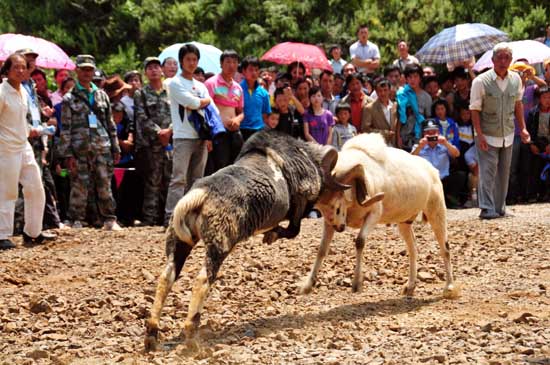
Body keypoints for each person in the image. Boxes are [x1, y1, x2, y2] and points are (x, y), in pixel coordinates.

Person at [57, 54, 122, 230]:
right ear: (77, 70)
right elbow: (66, 128)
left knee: (104, 183)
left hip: (102, 146)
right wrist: (67, 153)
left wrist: (115, 146)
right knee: (79, 185)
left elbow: (110, 123)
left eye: (90, 70)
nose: (87, 73)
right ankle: (75, 219)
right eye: (83, 69)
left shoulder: (102, 95)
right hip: (79, 148)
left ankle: (109, 218)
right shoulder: (69, 98)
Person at [0, 53, 56, 250]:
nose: (21, 70)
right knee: (7, 192)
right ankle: (2, 235)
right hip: (5, 148)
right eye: (16, 67)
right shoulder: (2, 92)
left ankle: (32, 232)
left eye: (24, 67)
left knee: (36, 187)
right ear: (7, 70)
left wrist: (35, 130)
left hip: (24, 146)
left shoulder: (24, 91)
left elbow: (19, 121)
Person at [469, 43, 530, 220]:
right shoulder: (480, 81)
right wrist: (479, 135)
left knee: (504, 172)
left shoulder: (516, 79)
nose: (503, 61)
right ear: (493, 60)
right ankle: (486, 208)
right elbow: (474, 109)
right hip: (487, 133)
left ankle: (500, 207)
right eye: (500, 58)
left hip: (508, 133)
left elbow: (518, 104)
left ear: (511, 60)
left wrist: (523, 128)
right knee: (488, 171)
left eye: (507, 58)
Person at [164, 44, 215, 225]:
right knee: (179, 179)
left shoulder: (200, 85)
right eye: (188, 59)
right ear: (181, 61)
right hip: (183, 136)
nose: (192, 63)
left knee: (197, 180)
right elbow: (192, 103)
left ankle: (191, 216)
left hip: (200, 137)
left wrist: (202, 102)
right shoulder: (174, 83)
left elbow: (206, 107)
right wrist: (204, 101)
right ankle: (171, 218)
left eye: (194, 59)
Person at [132, 57, 173, 226]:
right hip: (151, 143)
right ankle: (150, 219)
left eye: (157, 67)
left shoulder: (171, 91)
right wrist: (159, 133)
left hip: (171, 141)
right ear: (145, 72)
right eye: (150, 68)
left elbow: (178, 115)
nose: (154, 70)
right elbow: (141, 117)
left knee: (170, 180)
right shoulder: (140, 93)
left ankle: (169, 218)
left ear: (162, 70)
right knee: (153, 181)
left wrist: (169, 131)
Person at [204, 49, 245, 171]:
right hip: (217, 134)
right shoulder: (211, 83)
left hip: (233, 133)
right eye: (228, 62)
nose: (231, 65)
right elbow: (205, 110)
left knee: (234, 166)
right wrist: (207, 137)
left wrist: (237, 120)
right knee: (219, 167)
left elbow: (241, 112)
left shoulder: (238, 87)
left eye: (234, 62)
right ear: (221, 64)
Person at [411, 119, 466, 208]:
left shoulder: (444, 144)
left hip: (443, 180)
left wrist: (446, 143)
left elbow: (457, 154)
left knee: (460, 175)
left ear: (439, 132)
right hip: (426, 182)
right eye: (428, 132)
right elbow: (410, 160)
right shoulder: (418, 146)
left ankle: (449, 200)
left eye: (434, 132)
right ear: (423, 134)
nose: (431, 135)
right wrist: (420, 147)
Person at [396, 64, 432, 151]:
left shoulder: (426, 97)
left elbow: (428, 119)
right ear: (406, 78)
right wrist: (398, 137)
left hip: (420, 138)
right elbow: (398, 118)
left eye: (415, 77)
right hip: (404, 136)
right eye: (410, 77)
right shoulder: (402, 94)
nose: (412, 80)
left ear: (420, 78)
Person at [525, 86, 550, 202]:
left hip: (549, 143)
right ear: (539, 99)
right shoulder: (533, 112)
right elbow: (529, 130)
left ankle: (547, 194)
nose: (547, 100)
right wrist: (532, 144)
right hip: (537, 143)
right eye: (544, 97)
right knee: (534, 168)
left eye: (549, 97)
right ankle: (532, 195)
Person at [240, 56, 271, 141]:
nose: (254, 73)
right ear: (243, 71)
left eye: (256, 70)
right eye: (250, 69)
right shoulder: (237, 90)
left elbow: (265, 115)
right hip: (241, 131)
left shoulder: (264, 93)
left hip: (258, 132)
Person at [362, 78, 398, 146]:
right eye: (380, 91)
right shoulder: (369, 108)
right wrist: (385, 134)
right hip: (378, 146)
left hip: (394, 145)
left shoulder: (395, 106)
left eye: (385, 90)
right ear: (376, 91)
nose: (383, 93)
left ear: (389, 90)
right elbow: (365, 129)